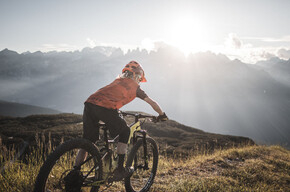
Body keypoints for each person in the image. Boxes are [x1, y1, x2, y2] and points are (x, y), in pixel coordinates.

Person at [75, 60, 168, 181]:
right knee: (125, 132)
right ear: (136, 75)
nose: (140, 81)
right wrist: (162, 115)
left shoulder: (117, 80)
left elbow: (108, 95)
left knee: (88, 141)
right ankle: (119, 170)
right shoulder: (135, 88)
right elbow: (152, 103)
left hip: (89, 104)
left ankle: (75, 172)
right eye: (140, 78)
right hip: (105, 107)